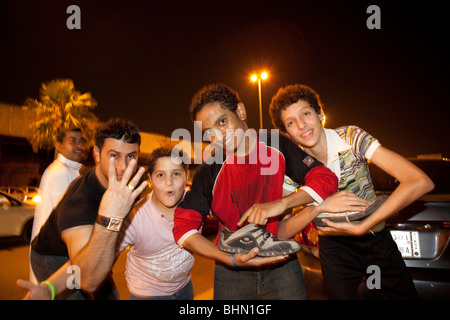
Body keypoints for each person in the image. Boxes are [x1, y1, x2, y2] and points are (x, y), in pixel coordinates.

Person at [172, 83, 339, 300]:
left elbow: (325, 178)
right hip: (232, 273)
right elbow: (183, 228)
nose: (219, 136)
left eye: (222, 122)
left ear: (240, 111)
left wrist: (281, 204)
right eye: (209, 132)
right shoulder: (208, 172)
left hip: (282, 263)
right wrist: (227, 258)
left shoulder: (276, 144)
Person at [269, 84, 434, 299]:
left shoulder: (350, 137)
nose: (301, 126)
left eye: (306, 114)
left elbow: (420, 182)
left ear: (320, 114)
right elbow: (279, 231)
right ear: (286, 133)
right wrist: (318, 209)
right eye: (291, 123)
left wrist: (363, 225)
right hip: (335, 249)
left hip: (375, 239)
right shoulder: (292, 167)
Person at [20, 118, 147, 299]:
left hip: (89, 246)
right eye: (114, 155)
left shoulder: (132, 183)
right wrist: (49, 288)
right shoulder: (79, 202)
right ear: (96, 154)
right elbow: (87, 280)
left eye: (131, 156)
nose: (123, 167)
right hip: (53, 255)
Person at [116, 147, 195, 300]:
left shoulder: (195, 203)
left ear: (187, 176)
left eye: (176, 174)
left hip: (185, 288)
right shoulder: (135, 217)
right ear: (150, 180)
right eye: (160, 175)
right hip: (148, 295)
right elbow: (101, 256)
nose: (169, 183)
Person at [29, 128, 87, 284]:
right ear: (59, 146)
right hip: (57, 256)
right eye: (73, 140)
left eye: (81, 141)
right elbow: (69, 221)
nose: (79, 146)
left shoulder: (70, 171)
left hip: (60, 253)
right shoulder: (60, 173)